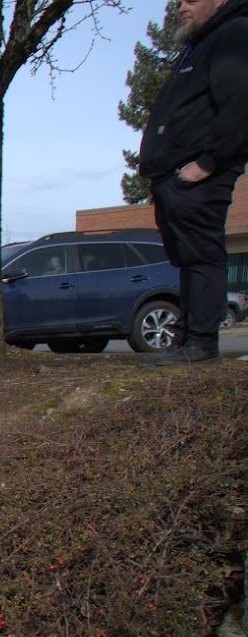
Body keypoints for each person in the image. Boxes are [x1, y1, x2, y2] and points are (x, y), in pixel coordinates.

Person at [138, 0, 248, 365]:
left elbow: (240, 104)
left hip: (198, 176)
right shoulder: (199, 45)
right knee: (187, 259)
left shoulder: (233, 34)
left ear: (219, 2)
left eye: (191, 0)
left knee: (202, 256)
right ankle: (186, 341)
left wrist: (207, 163)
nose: (181, 7)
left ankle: (201, 344)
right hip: (175, 176)